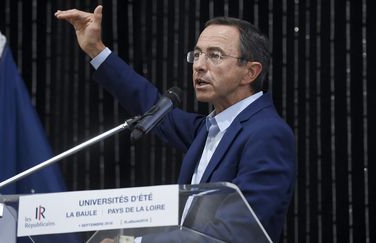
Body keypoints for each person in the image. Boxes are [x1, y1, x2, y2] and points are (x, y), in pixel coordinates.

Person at [55, 5, 296, 243]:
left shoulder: (267, 134)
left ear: (250, 72)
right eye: (197, 54)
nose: (199, 65)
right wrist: (96, 49)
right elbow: (149, 104)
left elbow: (235, 232)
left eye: (215, 55)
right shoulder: (208, 128)